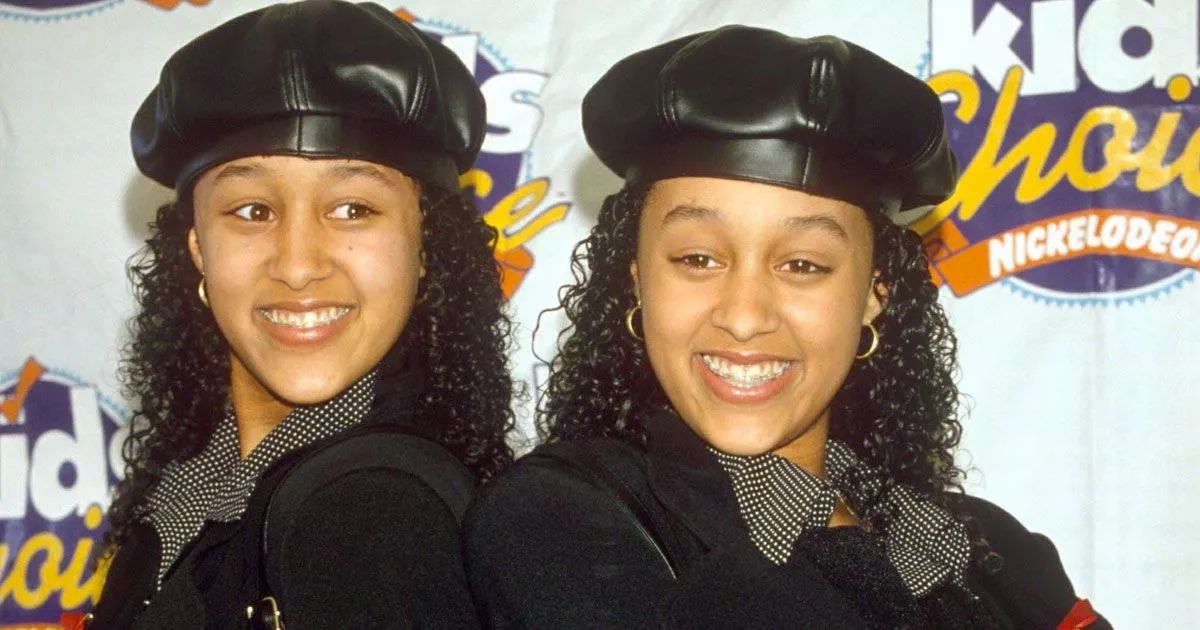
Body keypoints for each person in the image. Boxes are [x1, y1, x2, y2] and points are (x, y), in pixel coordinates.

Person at [464, 26, 1108, 629]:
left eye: (803, 265)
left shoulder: (996, 551)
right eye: (698, 259)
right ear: (636, 281)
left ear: (874, 296)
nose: (744, 317)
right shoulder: (558, 521)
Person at [83, 2, 512, 628]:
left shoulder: (372, 512)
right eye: (252, 211)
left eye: (353, 209)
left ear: (426, 247)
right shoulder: (189, 483)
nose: (298, 265)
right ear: (197, 247)